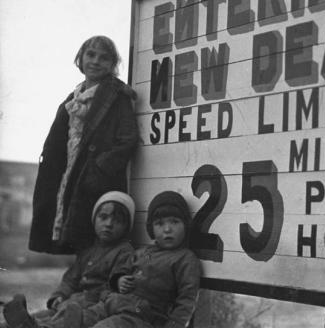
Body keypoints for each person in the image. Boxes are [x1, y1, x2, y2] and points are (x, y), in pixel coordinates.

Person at [29, 36, 139, 254]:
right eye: (90, 54)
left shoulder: (116, 97)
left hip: (94, 179)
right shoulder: (74, 99)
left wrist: (98, 169)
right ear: (81, 58)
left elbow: (128, 139)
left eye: (104, 57)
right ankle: (78, 283)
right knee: (71, 234)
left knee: (93, 239)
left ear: (112, 65)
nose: (96, 61)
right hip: (68, 175)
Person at [68, 190, 201, 328]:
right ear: (151, 229)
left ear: (186, 225)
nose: (167, 229)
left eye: (174, 222)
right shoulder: (142, 252)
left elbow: (187, 299)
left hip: (142, 315)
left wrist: (174, 325)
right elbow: (122, 270)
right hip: (116, 303)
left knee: (108, 326)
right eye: (159, 224)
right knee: (86, 316)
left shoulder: (185, 258)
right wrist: (119, 280)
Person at [2, 191, 136, 328]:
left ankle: (34, 326)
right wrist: (59, 296)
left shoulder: (124, 251)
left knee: (63, 320)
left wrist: (116, 283)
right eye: (103, 217)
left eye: (118, 221)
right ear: (94, 219)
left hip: (93, 307)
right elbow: (71, 279)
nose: (109, 224)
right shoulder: (88, 250)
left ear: (127, 227)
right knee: (47, 313)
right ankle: (20, 322)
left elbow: (117, 282)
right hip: (72, 302)